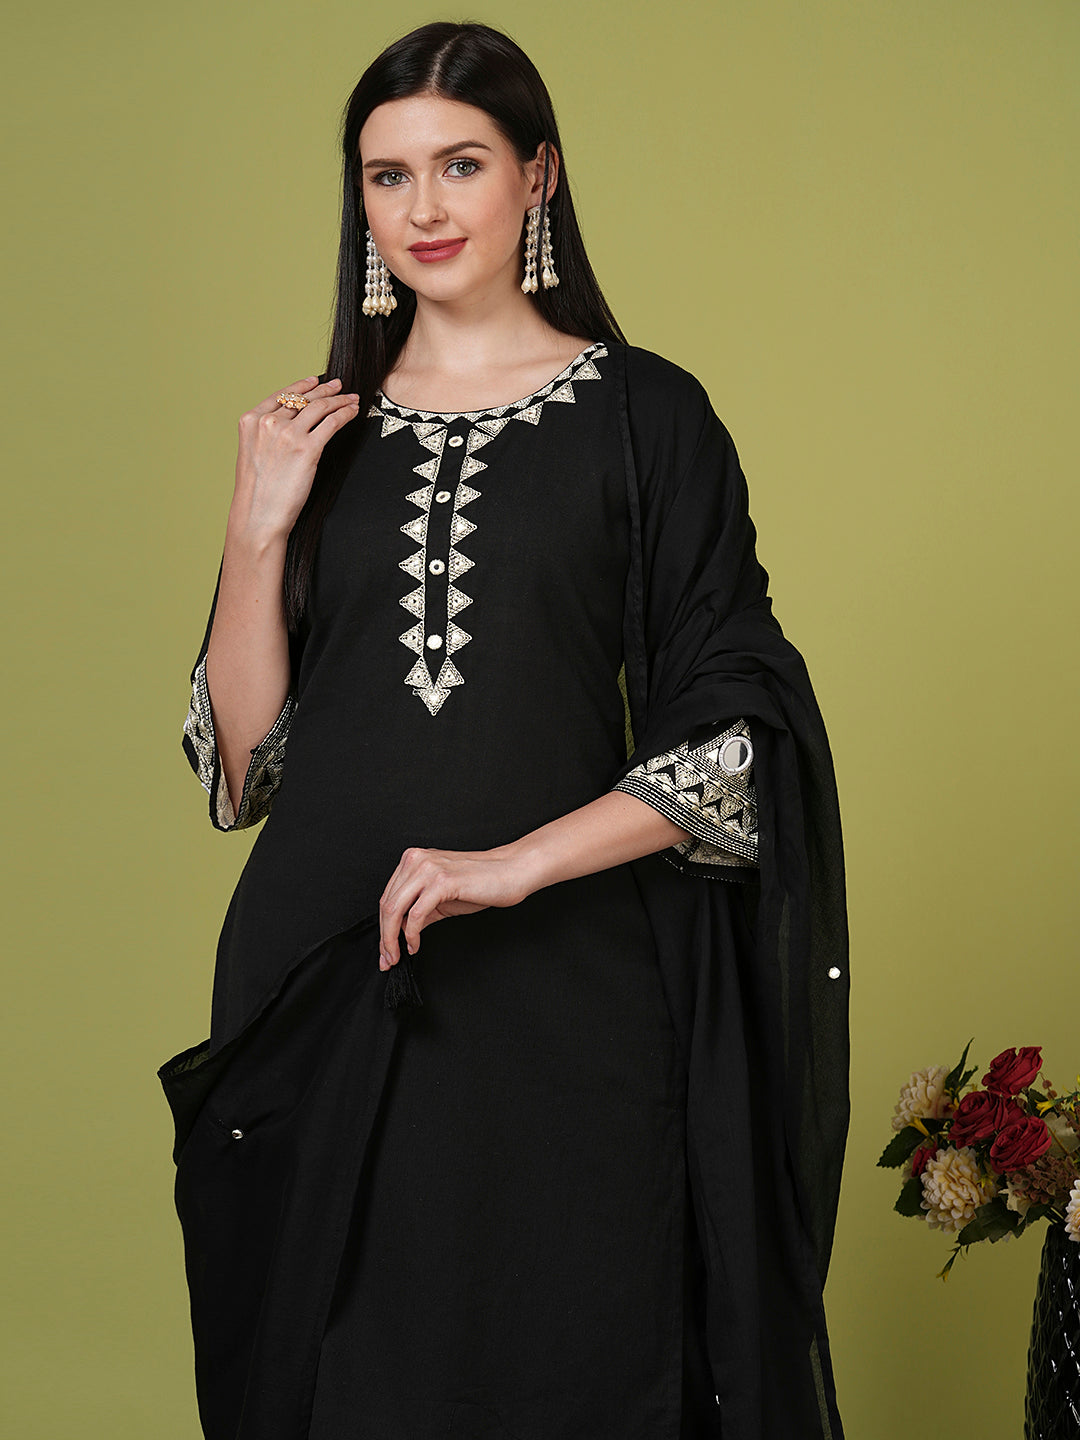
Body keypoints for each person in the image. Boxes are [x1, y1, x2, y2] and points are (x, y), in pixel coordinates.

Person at [157, 20, 850, 1440]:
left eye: (460, 164)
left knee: (582, 1372)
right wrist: (254, 525)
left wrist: (512, 865)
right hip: (323, 989)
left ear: (540, 175)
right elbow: (243, 771)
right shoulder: (314, 434)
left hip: (569, 1003)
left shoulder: (650, 419)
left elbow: (740, 738)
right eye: (387, 175)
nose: (422, 207)